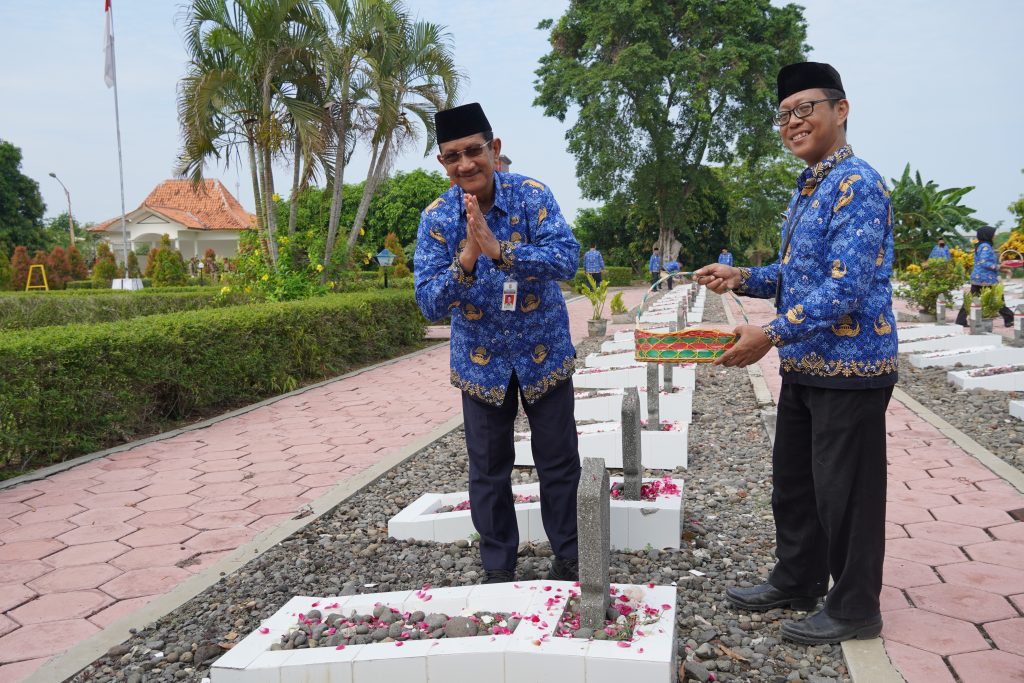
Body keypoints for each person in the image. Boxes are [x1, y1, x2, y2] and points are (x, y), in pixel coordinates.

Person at [695, 62, 897, 645]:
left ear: (841, 109)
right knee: (796, 484)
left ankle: (856, 606)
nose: (793, 122)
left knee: (846, 494)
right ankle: (798, 578)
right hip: (809, 364)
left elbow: (847, 287)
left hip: (852, 367)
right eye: (784, 114)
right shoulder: (811, 186)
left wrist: (771, 334)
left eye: (805, 108)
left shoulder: (856, 183)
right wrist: (743, 277)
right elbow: (801, 273)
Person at [414, 102, 581, 584]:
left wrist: (501, 250)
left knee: (558, 460)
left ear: (495, 149)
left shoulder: (531, 196)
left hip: (542, 351)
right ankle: (498, 567)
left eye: (473, 151)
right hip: (481, 362)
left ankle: (568, 555)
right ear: (442, 163)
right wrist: (467, 256)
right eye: (452, 156)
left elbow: (566, 258)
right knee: (488, 469)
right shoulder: (436, 219)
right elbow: (427, 302)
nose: (465, 164)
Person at [954, 226, 1014, 327]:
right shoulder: (986, 246)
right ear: (987, 235)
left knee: (972, 299)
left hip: (979, 278)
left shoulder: (981, 245)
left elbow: (986, 263)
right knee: (998, 299)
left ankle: (960, 320)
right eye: (993, 234)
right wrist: (1000, 266)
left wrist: (1001, 269)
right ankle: (1010, 319)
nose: (994, 236)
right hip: (986, 279)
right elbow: (984, 262)